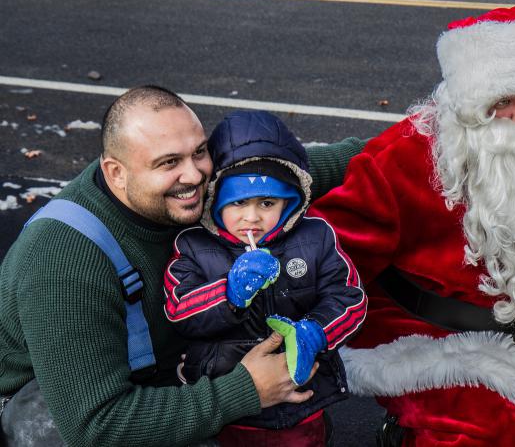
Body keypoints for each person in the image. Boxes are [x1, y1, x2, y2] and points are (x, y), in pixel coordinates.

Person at [310, 0, 515, 446]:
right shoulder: (412, 156)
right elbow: (329, 250)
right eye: (502, 102)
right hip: (430, 331)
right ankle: (408, 432)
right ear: (468, 107)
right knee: (493, 432)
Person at [0, 86, 363, 446]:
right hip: (61, 401)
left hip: (158, 367)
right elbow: (97, 425)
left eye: (200, 152)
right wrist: (246, 390)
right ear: (116, 173)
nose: (194, 177)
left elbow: (291, 169)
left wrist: (398, 148)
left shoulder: (190, 186)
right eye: (169, 163)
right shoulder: (63, 259)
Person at [163, 109, 367, 446]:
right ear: (215, 200)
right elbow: (179, 312)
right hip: (231, 408)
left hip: (305, 402)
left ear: (289, 202)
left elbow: (350, 299)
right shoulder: (192, 245)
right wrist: (228, 293)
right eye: (238, 202)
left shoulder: (315, 237)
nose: (252, 217)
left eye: (268, 202)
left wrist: (315, 333)